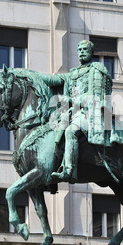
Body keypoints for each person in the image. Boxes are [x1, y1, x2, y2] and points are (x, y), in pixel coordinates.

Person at [39, 40, 113, 183]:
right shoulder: (72, 74)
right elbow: (53, 80)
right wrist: (30, 74)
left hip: (91, 113)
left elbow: (96, 95)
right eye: (79, 49)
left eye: (85, 49)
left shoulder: (96, 70)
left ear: (92, 52)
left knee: (70, 131)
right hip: (74, 113)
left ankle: (69, 170)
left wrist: (75, 101)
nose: (81, 52)